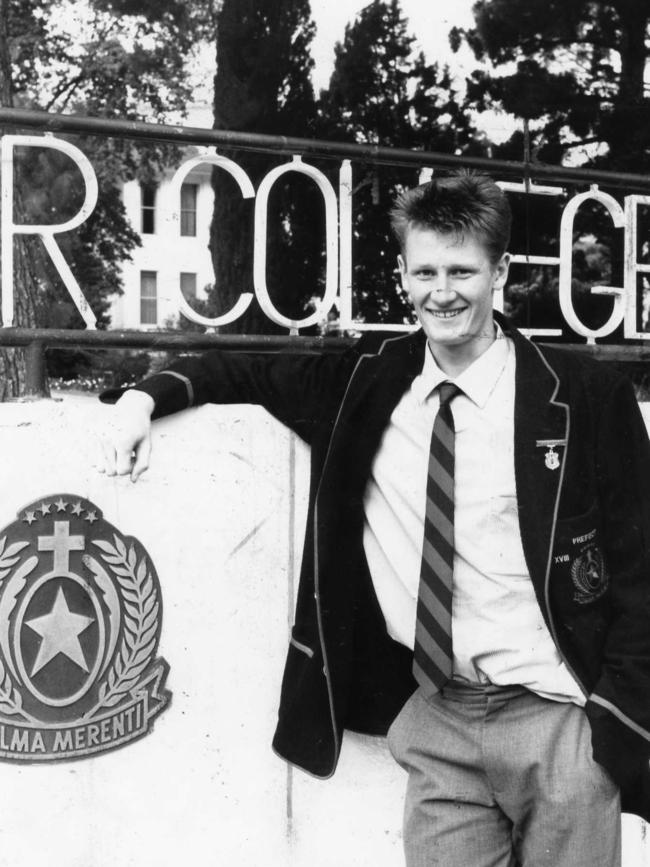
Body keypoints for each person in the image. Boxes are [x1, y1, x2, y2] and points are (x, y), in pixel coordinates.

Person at [99, 173, 650, 866]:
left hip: (556, 722)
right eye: (425, 271)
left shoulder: (583, 394)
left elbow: (641, 571)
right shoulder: (369, 379)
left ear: (500, 271)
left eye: (462, 270)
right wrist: (143, 399)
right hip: (439, 722)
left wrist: (611, 731)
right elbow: (242, 371)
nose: (441, 291)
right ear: (402, 275)